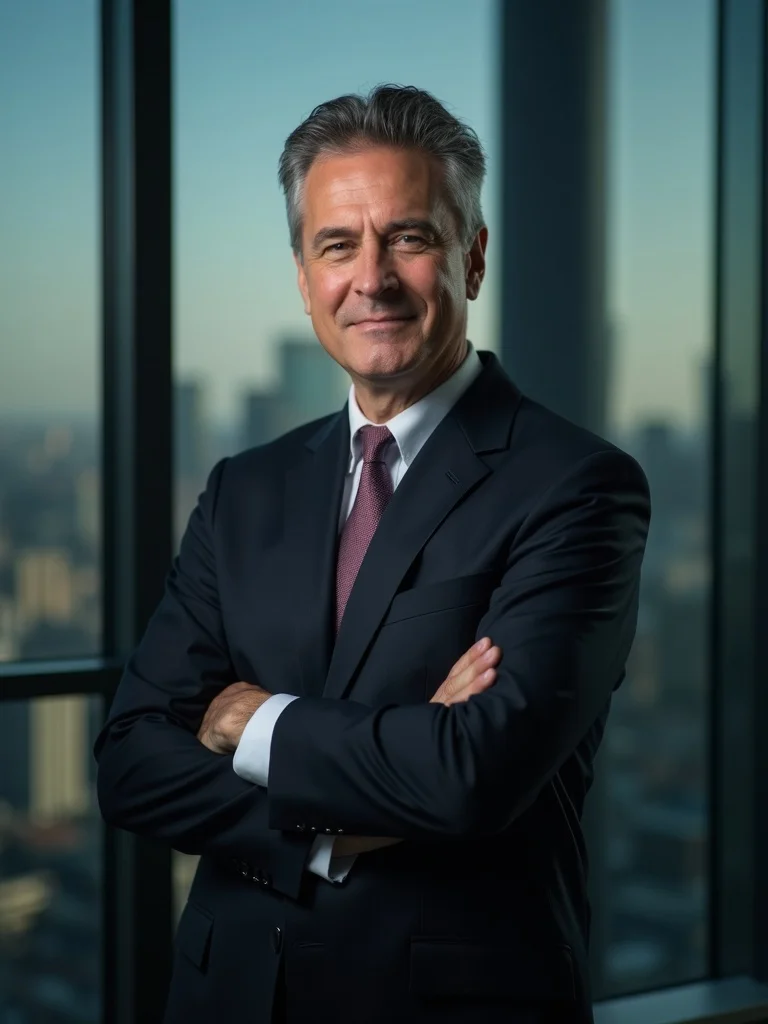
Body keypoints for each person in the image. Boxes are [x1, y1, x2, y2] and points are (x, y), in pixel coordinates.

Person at [94, 84, 651, 1024]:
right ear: (304, 277)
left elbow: (472, 773)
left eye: (410, 237)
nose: (372, 279)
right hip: (226, 999)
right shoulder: (247, 488)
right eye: (337, 245)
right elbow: (129, 763)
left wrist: (256, 724)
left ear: (472, 259)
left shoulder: (577, 487)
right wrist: (337, 830)